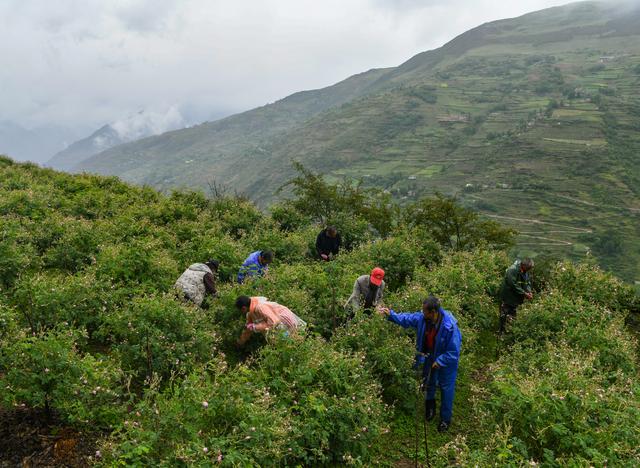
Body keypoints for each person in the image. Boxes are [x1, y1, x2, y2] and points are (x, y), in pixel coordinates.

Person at [380, 296, 462, 433]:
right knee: (429, 381)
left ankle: (445, 420)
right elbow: (407, 318)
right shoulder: (424, 319)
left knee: (446, 388)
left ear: (434, 311)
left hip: (447, 362)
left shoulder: (450, 327)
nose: (422, 313)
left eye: (425, 311)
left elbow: (453, 352)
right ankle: (430, 408)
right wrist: (391, 314)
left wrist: (440, 361)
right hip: (430, 355)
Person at [235, 296, 307, 346]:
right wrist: (241, 342)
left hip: (284, 322)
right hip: (279, 325)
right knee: (289, 343)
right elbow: (248, 329)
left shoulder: (260, 307)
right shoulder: (250, 312)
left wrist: (256, 326)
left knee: (294, 341)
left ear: (243, 308)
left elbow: (274, 321)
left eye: (241, 310)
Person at [498, 258, 534, 333]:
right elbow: (512, 285)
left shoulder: (525, 271)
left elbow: (527, 283)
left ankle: (511, 332)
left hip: (516, 298)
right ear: (523, 265)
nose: (528, 270)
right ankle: (501, 332)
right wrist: (524, 293)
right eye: (527, 269)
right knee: (504, 314)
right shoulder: (512, 270)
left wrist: (529, 291)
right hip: (507, 296)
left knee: (513, 315)